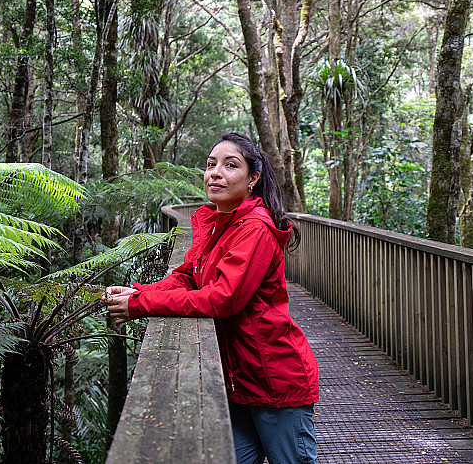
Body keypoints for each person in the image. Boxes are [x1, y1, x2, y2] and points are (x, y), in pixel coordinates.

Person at [104, 132, 319, 464]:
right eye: (210, 164)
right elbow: (189, 275)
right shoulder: (218, 222)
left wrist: (140, 305)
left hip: (275, 380)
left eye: (230, 165)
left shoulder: (255, 229)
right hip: (239, 379)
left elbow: (222, 299)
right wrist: (139, 292)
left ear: (253, 179)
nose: (215, 173)